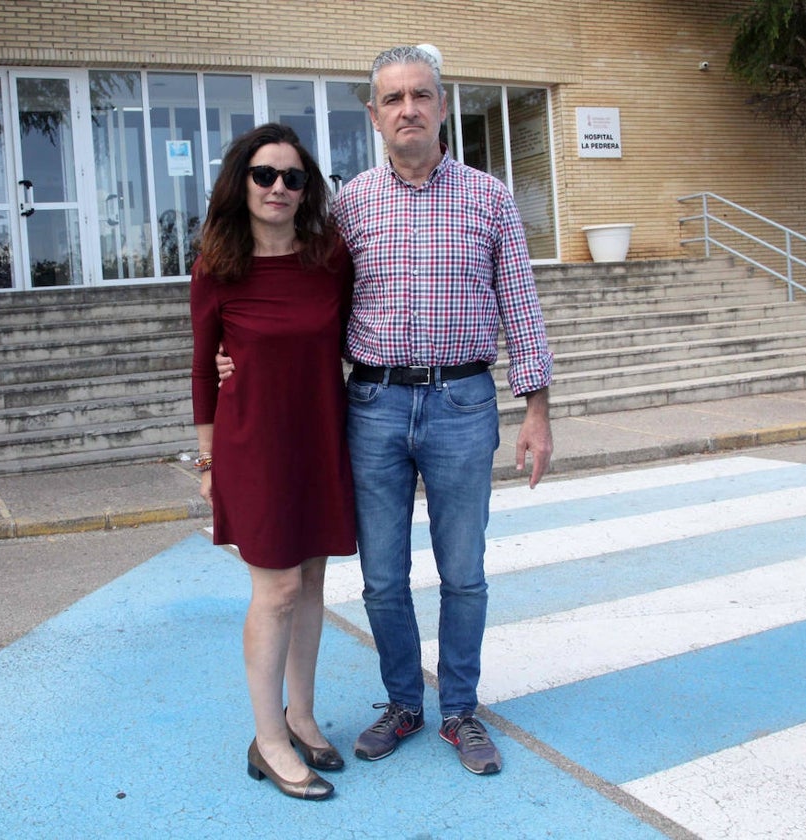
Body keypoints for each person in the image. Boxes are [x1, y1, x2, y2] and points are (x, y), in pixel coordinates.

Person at [219, 45, 553, 776]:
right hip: (370, 403)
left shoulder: (490, 198)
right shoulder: (349, 206)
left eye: (421, 95)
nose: (408, 108)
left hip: (464, 401)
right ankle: (404, 701)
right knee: (381, 577)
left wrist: (537, 408)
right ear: (373, 115)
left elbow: (521, 305)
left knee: (464, 571)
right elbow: (307, 303)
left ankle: (459, 709)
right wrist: (238, 354)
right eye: (393, 98)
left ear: (442, 106)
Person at [190, 123, 357, 801]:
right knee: (278, 589)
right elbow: (204, 370)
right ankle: (268, 740)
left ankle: (303, 714)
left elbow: (350, 337)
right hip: (253, 447)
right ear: (242, 183)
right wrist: (207, 466)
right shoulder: (217, 268)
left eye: (293, 177)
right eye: (265, 175)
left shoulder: (329, 259)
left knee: (313, 583)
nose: (279, 188)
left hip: (319, 437)